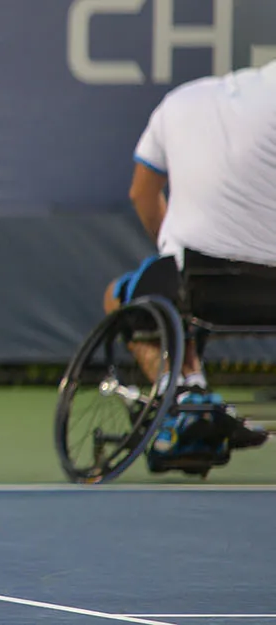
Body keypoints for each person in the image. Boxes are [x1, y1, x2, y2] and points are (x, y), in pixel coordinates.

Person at [104, 59, 276, 463]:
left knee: (128, 296)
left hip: (197, 290)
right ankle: (195, 396)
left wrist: (170, 259)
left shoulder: (177, 103)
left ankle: (180, 396)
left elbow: (142, 196)